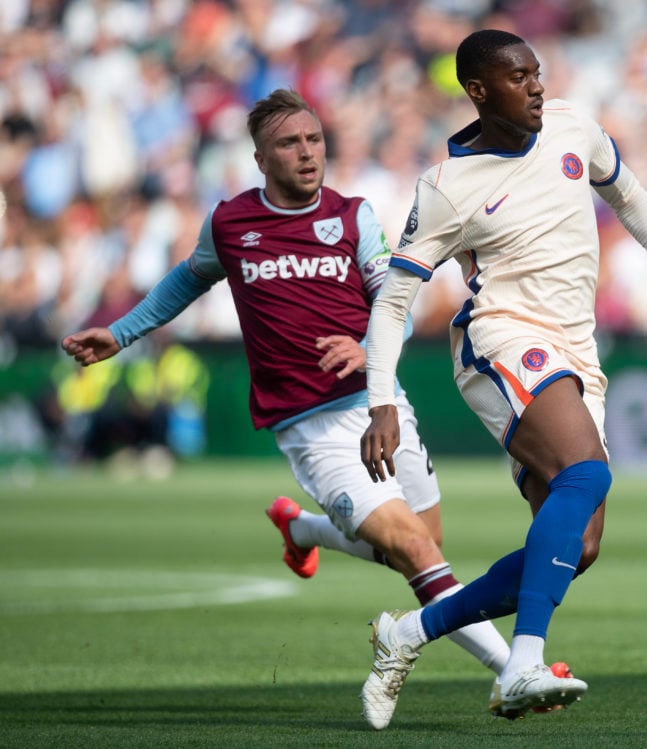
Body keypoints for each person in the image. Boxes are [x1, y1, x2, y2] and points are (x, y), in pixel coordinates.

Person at [60, 87, 511, 688]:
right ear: (260, 159)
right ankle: (515, 670)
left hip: (380, 405)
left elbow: (395, 305)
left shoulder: (354, 216)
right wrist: (121, 333)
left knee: (424, 543)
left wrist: (369, 346)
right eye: (289, 143)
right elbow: (187, 279)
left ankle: (303, 528)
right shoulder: (231, 223)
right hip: (311, 425)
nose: (306, 153)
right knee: (417, 553)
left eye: (314, 139)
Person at [358, 29, 647, 728]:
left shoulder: (572, 127)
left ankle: (405, 634)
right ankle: (521, 664)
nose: (536, 85)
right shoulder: (447, 188)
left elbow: (629, 192)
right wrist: (381, 397)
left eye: (538, 72)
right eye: (519, 76)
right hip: (500, 336)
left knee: (576, 547)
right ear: (479, 91)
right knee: (587, 472)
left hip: (576, 349)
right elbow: (395, 299)